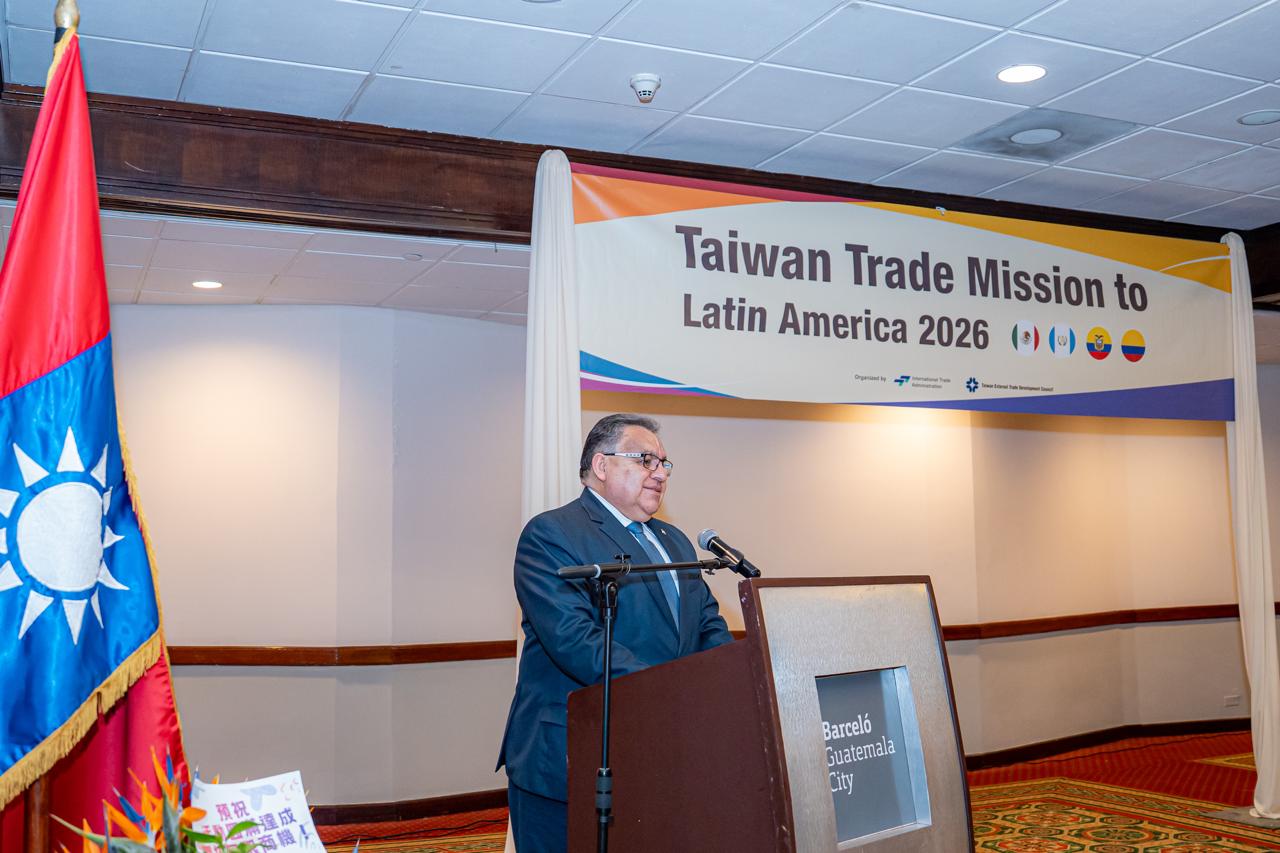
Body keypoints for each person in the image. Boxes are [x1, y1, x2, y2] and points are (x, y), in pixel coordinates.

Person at [496, 413, 733, 852]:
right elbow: (575, 640)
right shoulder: (552, 534)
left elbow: (706, 623)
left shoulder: (674, 540)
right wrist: (671, 692)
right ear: (601, 466)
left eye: (663, 464)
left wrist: (728, 682)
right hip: (570, 756)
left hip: (658, 751)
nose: (660, 473)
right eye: (645, 460)